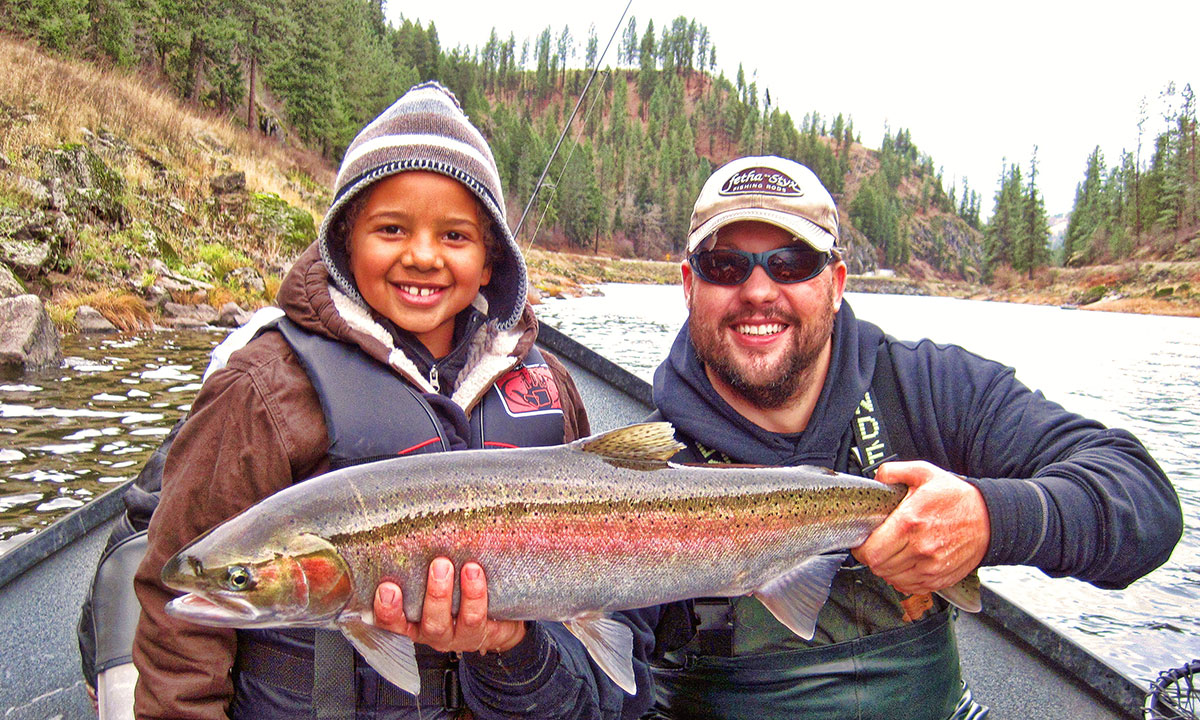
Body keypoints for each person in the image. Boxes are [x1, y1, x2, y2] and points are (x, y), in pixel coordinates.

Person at [131, 81, 654, 720]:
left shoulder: (551, 386)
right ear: (344, 242)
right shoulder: (262, 388)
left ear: (491, 261)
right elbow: (176, 633)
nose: (423, 256)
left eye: (455, 236)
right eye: (391, 228)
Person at [634, 155, 1182, 719]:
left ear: (837, 282)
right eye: (725, 265)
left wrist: (991, 519)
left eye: (791, 263)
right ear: (688, 284)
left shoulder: (930, 389)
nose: (757, 290)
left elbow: (1145, 503)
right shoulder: (637, 476)